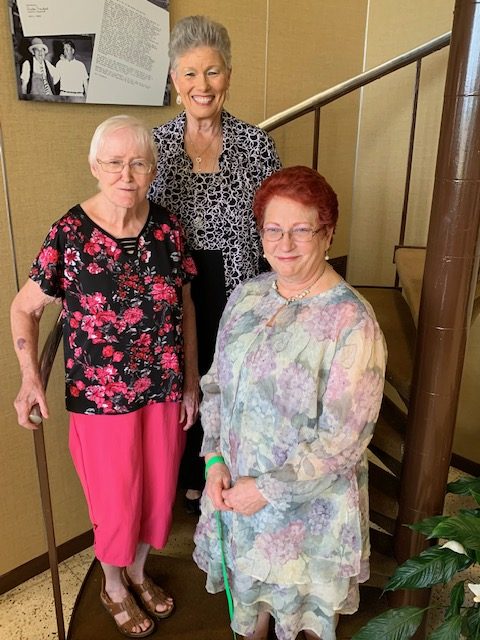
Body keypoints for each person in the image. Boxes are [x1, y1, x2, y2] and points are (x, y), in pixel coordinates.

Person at [11, 115, 198, 638]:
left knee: (159, 492)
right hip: (100, 398)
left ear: (153, 168)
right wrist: (30, 379)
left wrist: (190, 381)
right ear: (95, 166)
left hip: (161, 388)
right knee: (116, 501)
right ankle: (112, 585)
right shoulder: (69, 233)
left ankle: (137, 573)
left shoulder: (166, 228)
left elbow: (185, 307)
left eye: (138, 162)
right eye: (114, 162)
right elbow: (24, 308)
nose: (126, 173)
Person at [193, 166, 387, 640]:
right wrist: (214, 457)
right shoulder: (246, 296)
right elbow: (216, 385)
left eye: (302, 229)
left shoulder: (352, 323)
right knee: (250, 613)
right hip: (237, 495)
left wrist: (266, 491)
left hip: (303, 516)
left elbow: (342, 442)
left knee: (301, 622)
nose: (285, 243)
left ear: (327, 234)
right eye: (273, 229)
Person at [149, 15, 281, 515]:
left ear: (229, 74)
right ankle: (187, 476)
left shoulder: (255, 144)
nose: (201, 86)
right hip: (175, 286)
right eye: (189, 73)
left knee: (232, 380)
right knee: (182, 378)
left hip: (240, 283)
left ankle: (231, 473)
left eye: (212, 72)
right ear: (174, 80)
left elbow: (275, 221)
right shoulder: (156, 146)